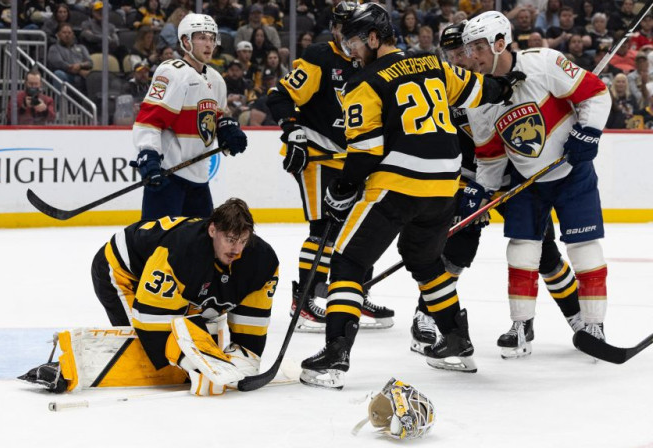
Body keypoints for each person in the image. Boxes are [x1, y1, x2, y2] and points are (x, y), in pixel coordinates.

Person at [299, 3, 525, 389]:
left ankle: (335, 355)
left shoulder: (362, 83)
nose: (349, 49)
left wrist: (340, 190)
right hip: (442, 189)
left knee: (349, 261)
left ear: (373, 38)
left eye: (353, 41)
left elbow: (366, 153)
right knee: (425, 263)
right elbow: (480, 89)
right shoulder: (433, 65)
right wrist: (508, 84)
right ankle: (457, 343)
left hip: (397, 186)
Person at [410, 21, 586, 359]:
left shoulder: (502, 79)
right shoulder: (443, 86)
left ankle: (579, 318)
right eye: (453, 53)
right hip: (465, 178)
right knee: (456, 246)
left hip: (513, 177)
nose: (460, 58)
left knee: (542, 250)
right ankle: (426, 313)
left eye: (464, 50)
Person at [20, 198, 279, 396]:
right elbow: (153, 324)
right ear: (213, 230)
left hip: (168, 270)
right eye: (230, 239)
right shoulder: (181, 254)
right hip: (122, 272)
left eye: (242, 240)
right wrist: (193, 362)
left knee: (197, 331)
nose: (236, 249)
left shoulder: (261, 259)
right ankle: (65, 368)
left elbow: (250, 326)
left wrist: (243, 358)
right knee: (142, 344)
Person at [461, 12, 611, 351]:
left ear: (501, 43)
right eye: (469, 50)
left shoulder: (543, 62)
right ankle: (520, 326)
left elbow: (596, 94)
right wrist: (483, 191)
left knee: (585, 250)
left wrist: (587, 131)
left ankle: (594, 327)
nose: (472, 57)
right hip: (526, 180)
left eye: (479, 48)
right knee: (522, 250)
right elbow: (491, 156)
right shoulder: (479, 97)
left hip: (573, 174)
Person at [266, 2, 393, 333]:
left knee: (361, 229)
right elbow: (279, 96)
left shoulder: (370, 59)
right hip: (318, 153)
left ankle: (353, 292)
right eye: (342, 26)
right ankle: (304, 299)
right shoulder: (320, 56)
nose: (347, 34)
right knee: (323, 229)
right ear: (336, 28)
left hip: (356, 157)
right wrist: (292, 130)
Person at [131, 13, 247, 220]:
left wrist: (227, 129)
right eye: (202, 37)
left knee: (200, 248)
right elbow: (150, 120)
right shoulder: (172, 72)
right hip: (169, 176)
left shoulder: (216, 79)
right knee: (158, 244)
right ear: (186, 41)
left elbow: (216, 117)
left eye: (212, 38)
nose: (209, 44)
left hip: (199, 178)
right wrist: (148, 155)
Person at [47, 23, 93, 92]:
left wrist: (80, 65)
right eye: (64, 32)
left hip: (81, 77)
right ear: (58, 35)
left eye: (69, 33)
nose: (67, 35)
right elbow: (59, 63)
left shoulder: (81, 47)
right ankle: (60, 102)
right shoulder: (54, 48)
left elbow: (90, 63)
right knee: (58, 73)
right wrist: (79, 71)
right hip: (67, 75)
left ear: (73, 35)